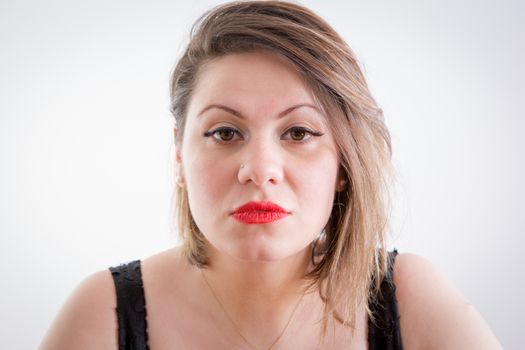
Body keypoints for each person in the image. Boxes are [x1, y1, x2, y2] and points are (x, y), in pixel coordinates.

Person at [40, 1, 501, 349]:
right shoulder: (102, 314)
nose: (259, 170)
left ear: (345, 162)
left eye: (298, 132)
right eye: (224, 132)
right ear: (179, 157)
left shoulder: (410, 298)